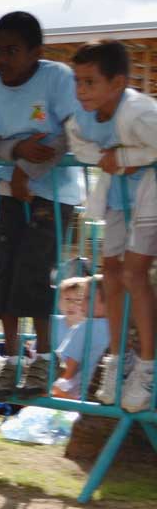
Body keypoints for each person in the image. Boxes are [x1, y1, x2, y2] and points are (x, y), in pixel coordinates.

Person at [0, 12, 83, 399]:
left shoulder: (57, 78)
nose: (3, 59)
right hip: (8, 190)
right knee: (4, 273)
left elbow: (70, 134)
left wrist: (27, 168)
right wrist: (17, 151)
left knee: (35, 273)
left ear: (36, 52)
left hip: (55, 194)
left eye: (12, 50)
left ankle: (42, 358)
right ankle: (9, 361)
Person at [66, 39, 157, 411]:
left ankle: (148, 367)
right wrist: (118, 160)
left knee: (136, 275)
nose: (82, 90)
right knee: (112, 274)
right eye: (78, 81)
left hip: (149, 198)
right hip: (119, 200)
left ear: (117, 83)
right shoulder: (81, 116)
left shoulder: (139, 111)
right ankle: (118, 361)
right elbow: (82, 147)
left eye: (90, 82)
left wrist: (127, 156)